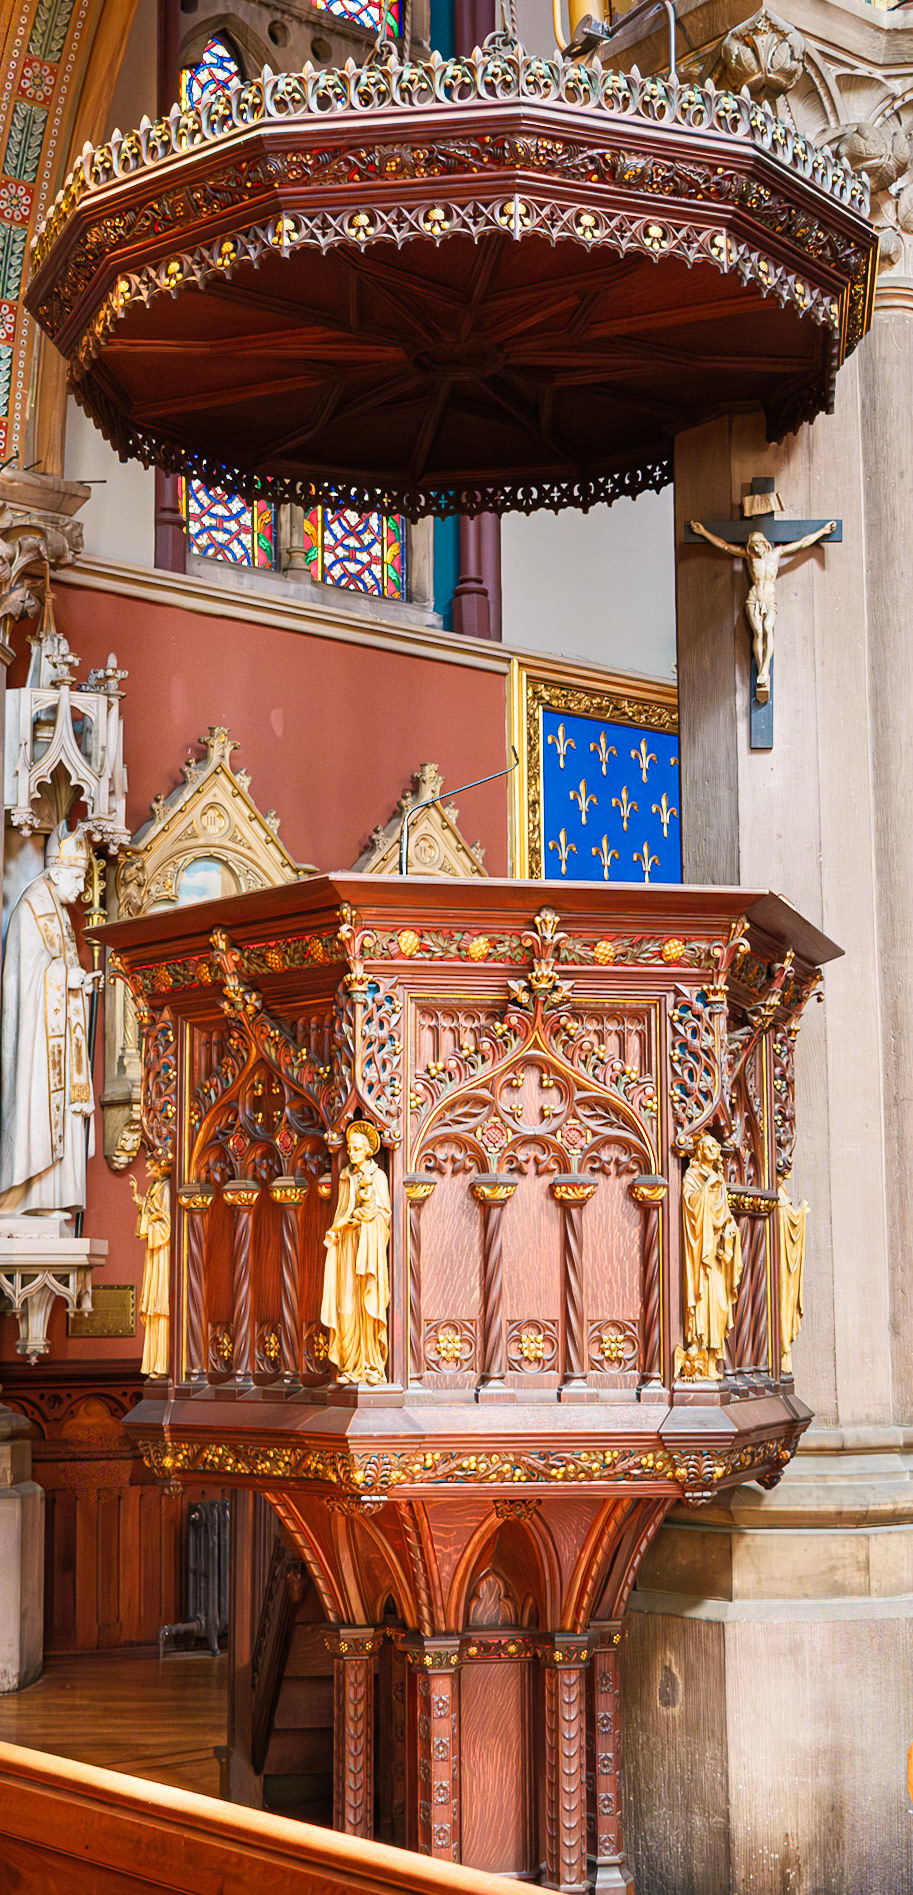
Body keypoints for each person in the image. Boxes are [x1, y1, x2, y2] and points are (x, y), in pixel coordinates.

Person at [0, 820, 100, 1217]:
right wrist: (63, 977)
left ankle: (49, 1198)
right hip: (38, 1045)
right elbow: (26, 977)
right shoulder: (30, 908)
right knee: (39, 1108)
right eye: (76, 878)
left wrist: (78, 985)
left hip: (60, 1036)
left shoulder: (56, 908)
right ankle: (29, 1196)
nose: (80, 889)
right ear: (57, 871)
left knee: (63, 1112)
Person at [689, 518, 837, 703]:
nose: (756, 547)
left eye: (758, 543)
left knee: (768, 628)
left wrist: (822, 532)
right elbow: (725, 546)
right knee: (758, 632)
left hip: (769, 598)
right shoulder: (749, 557)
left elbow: (802, 543)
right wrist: (703, 532)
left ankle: (765, 668)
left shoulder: (777, 553)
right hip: (754, 597)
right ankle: (762, 671)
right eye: (753, 545)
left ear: (764, 543)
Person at [321, 1119, 391, 1384]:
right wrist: (339, 1228)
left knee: (366, 1302)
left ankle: (371, 1364)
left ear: (368, 1150)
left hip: (368, 1247)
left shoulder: (378, 1177)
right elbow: (342, 1211)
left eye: (357, 1148)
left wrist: (366, 1217)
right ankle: (351, 1365)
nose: (351, 1153)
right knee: (346, 1306)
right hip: (347, 1247)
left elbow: (384, 1214)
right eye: (350, 1148)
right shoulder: (346, 1175)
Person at [681, 1132, 744, 1377]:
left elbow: (726, 1215)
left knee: (718, 1304)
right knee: (703, 1301)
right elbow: (690, 1205)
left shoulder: (719, 1179)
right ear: (699, 1152)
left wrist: (730, 1231)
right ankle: (699, 1356)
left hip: (716, 1254)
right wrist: (706, 1189)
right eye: (707, 1146)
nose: (713, 1149)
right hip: (700, 1252)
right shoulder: (692, 1177)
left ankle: (712, 1361)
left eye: (715, 1145)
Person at [130, 1160, 171, 1377]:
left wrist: (148, 1220)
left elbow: (167, 1224)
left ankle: (163, 1362)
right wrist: (142, 1207)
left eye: (153, 1163)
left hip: (164, 1252)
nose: (148, 1167)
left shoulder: (167, 1188)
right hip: (156, 1253)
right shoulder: (157, 1186)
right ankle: (154, 1362)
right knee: (155, 1306)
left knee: (161, 1304)